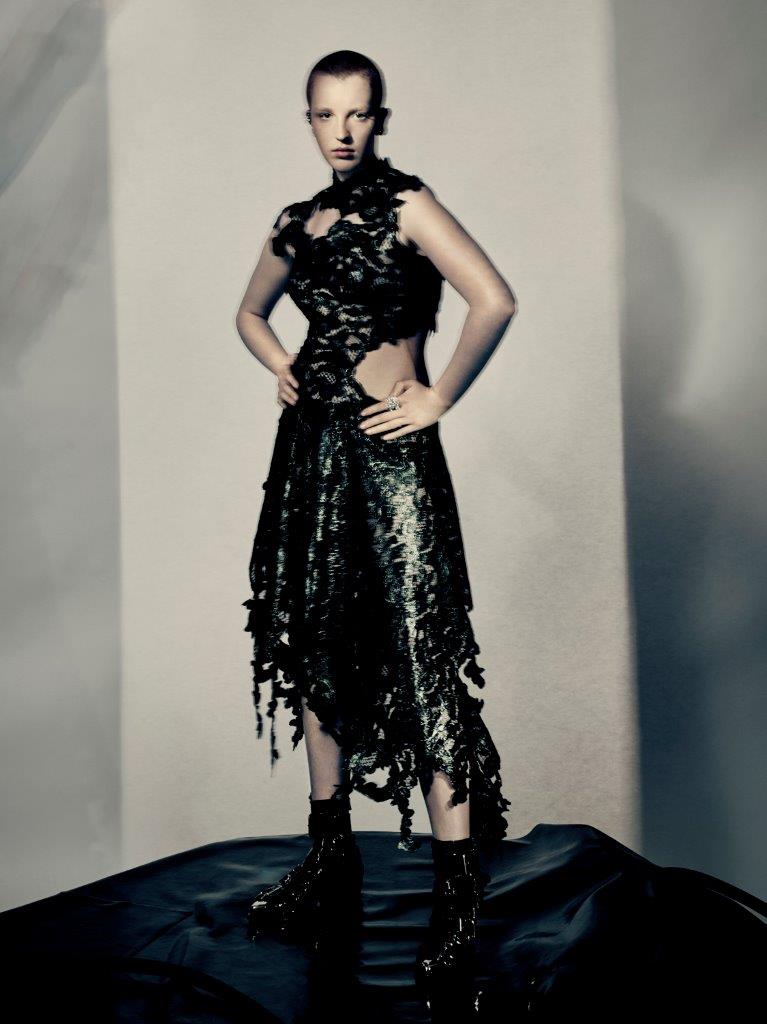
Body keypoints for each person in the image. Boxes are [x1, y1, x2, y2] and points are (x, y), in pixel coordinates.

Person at [236, 50, 517, 998]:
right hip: (312, 458)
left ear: (379, 119)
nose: (343, 131)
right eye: (326, 115)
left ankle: (456, 896)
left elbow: (493, 298)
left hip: (391, 460)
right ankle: (331, 862)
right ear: (309, 121)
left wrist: (439, 397)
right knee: (318, 643)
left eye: (357, 113)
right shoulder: (297, 221)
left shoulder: (408, 205)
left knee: (418, 652)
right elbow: (249, 313)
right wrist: (280, 362)